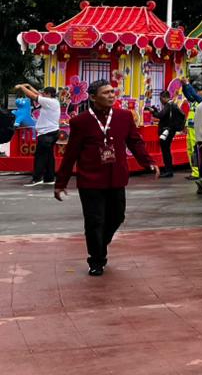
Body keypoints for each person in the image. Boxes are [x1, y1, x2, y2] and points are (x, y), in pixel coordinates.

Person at [53, 80, 159, 276]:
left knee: (117, 217)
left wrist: (148, 162)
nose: (111, 95)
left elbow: (135, 142)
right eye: (106, 93)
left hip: (116, 178)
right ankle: (96, 260)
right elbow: (71, 154)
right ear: (93, 97)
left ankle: (101, 243)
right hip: (90, 180)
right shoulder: (80, 122)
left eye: (112, 92)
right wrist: (61, 183)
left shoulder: (124, 117)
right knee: (94, 221)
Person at [17, 84, 61, 186]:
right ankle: (49, 178)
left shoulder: (48, 101)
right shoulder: (53, 101)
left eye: (44, 93)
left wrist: (22, 87)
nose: (42, 95)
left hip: (46, 134)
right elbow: (38, 94)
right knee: (49, 156)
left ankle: (37, 179)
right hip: (53, 132)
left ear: (48, 94)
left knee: (40, 156)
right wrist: (29, 86)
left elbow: (33, 96)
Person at [148, 90, 185, 178]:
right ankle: (168, 170)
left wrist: (153, 112)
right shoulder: (172, 105)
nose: (161, 101)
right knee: (166, 150)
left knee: (166, 151)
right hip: (170, 131)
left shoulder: (169, 105)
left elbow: (160, 115)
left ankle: (168, 171)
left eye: (161, 99)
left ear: (165, 98)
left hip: (167, 131)